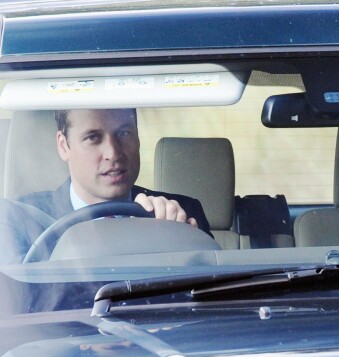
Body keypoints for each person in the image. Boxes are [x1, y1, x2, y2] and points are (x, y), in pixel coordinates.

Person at [0, 108, 212, 264]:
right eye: (93, 137)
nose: (113, 153)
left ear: (138, 137)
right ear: (64, 146)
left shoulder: (182, 212)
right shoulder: (20, 220)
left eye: (124, 133)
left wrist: (178, 243)